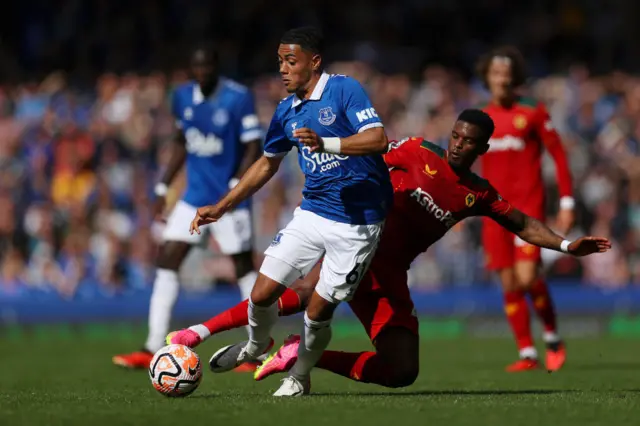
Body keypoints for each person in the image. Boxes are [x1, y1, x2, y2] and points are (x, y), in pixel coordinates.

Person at [168, 109, 611, 392]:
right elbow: (367, 158)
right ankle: (198, 332)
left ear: (482, 148)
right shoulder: (416, 151)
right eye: (456, 135)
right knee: (302, 292)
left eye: (468, 140)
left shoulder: (477, 193)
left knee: (401, 371)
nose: (458, 143)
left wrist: (568, 245)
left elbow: (524, 224)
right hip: (361, 247)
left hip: (390, 275)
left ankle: (298, 353)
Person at [186, 26, 392, 397]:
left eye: (290, 61)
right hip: (312, 212)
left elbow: (379, 140)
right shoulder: (287, 110)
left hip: (358, 223)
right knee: (262, 293)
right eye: (279, 61)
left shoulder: (344, 89)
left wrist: (327, 142)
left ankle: (299, 374)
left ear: (314, 63)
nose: (282, 69)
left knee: (317, 313)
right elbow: (267, 163)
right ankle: (254, 346)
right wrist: (222, 205)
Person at [112, 43, 263, 369]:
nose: (202, 73)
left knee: (242, 267)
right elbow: (183, 142)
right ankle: (152, 346)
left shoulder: (237, 97)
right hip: (193, 197)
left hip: (228, 200)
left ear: (216, 66)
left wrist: (237, 185)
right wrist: (163, 185)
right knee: (167, 259)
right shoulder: (181, 97)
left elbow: (253, 145)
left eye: (207, 66)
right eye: (197, 67)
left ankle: (257, 349)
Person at [477, 46, 575, 372]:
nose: (502, 79)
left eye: (507, 73)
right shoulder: (480, 118)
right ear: (488, 77)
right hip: (493, 211)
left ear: (514, 77)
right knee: (509, 283)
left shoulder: (532, 111)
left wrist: (566, 202)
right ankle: (528, 354)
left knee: (527, 275)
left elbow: (559, 157)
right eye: (496, 73)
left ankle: (551, 336)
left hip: (527, 209)